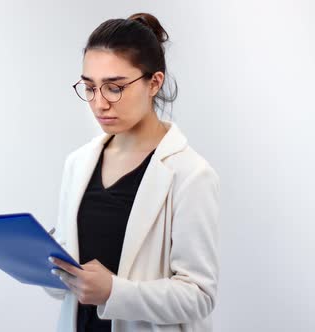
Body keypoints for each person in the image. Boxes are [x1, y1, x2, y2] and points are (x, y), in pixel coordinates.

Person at [42, 12, 221, 332]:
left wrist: (114, 291)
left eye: (114, 87)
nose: (99, 104)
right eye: (90, 88)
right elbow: (63, 286)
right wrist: (46, 265)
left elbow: (199, 296)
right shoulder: (78, 163)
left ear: (154, 82)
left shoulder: (191, 175)